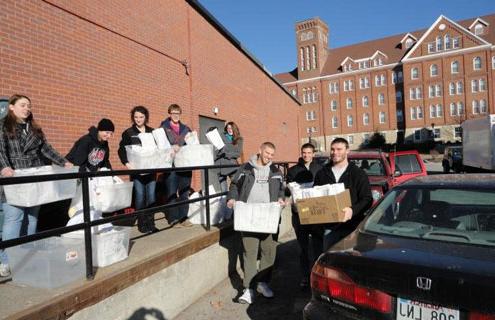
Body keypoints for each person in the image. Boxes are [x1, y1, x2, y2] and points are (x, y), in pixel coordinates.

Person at [0, 94, 73, 277]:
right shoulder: (3, 126)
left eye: (29, 106)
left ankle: (26, 254)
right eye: (23, 105)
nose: (27, 109)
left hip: (34, 176)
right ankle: (6, 260)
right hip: (14, 177)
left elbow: (46, 149)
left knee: (32, 218)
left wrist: (63, 162)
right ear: (11, 107)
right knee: (14, 218)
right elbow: (0, 149)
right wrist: (4, 167)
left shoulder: (34, 129)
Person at [226, 142, 285, 305]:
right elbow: (234, 185)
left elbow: (281, 189)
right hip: (248, 217)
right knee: (249, 253)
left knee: (268, 252)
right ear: (259, 150)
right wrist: (232, 198)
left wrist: (281, 199)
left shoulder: (276, 171)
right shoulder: (245, 168)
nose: (269, 157)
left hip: (269, 218)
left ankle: (262, 283)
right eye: (267, 153)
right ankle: (248, 289)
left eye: (272, 155)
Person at [313, 137, 372, 251]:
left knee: (349, 262)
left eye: (339, 149)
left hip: (352, 227)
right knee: (330, 261)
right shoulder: (322, 174)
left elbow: (367, 199)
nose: (335, 153)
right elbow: (315, 198)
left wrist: (352, 210)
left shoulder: (358, 173)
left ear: (347, 150)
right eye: (332, 149)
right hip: (329, 228)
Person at [286, 143, 323, 288]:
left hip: (317, 214)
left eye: (309, 152)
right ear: (301, 153)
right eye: (304, 152)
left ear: (313, 154)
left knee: (318, 246)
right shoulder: (293, 170)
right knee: (303, 247)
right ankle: (305, 276)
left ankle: (318, 275)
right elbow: (288, 192)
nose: (306, 155)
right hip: (299, 214)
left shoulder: (320, 169)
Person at [118, 106, 158, 234]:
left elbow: (158, 149)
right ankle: (142, 224)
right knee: (140, 197)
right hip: (137, 171)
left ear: (145, 117)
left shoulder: (152, 132)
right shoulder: (128, 132)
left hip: (151, 170)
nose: (138, 119)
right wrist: (127, 163)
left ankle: (151, 223)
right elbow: (122, 150)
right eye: (136, 117)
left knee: (151, 197)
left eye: (141, 117)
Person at [160, 104, 192, 227]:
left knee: (184, 192)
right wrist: (170, 147)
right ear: (169, 113)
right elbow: (160, 145)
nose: (175, 115)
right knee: (172, 192)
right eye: (173, 112)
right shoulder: (163, 127)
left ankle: (184, 217)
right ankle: (173, 219)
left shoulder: (186, 129)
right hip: (171, 164)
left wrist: (193, 138)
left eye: (178, 112)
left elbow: (191, 145)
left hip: (185, 164)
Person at [214, 122, 243, 192]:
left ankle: (234, 200)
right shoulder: (221, 136)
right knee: (223, 190)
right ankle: (224, 201)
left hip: (232, 165)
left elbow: (238, 153)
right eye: (228, 128)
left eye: (231, 128)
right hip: (220, 165)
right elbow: (217, 149)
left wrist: (226, 154)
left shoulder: (239, 139)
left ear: (234, 129)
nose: (229, 130)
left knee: (235, 186)